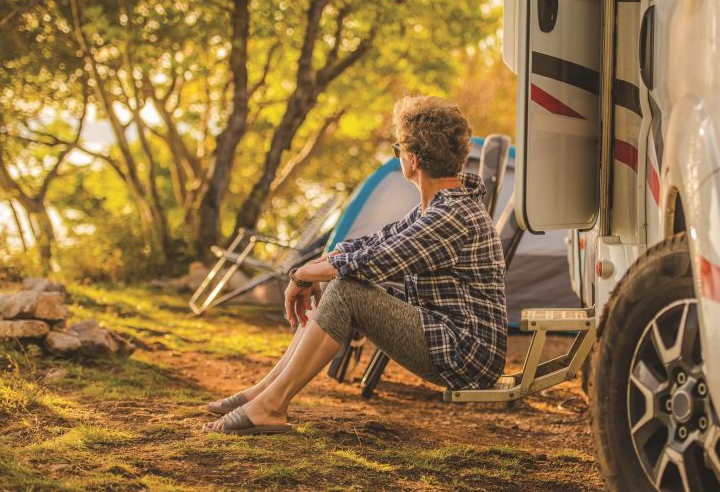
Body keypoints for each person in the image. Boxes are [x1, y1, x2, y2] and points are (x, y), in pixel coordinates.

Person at [203, 95, 507, 435]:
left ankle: (271, 405)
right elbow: (372, 243)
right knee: (339, 279)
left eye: (397, 150)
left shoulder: (452, 215)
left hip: (464, 352)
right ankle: (265, 393)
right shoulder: (439, 207)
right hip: (446, 336)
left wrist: (302, 274)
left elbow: (378, 262)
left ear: (412, 160)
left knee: (346, 288)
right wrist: (320, 265)